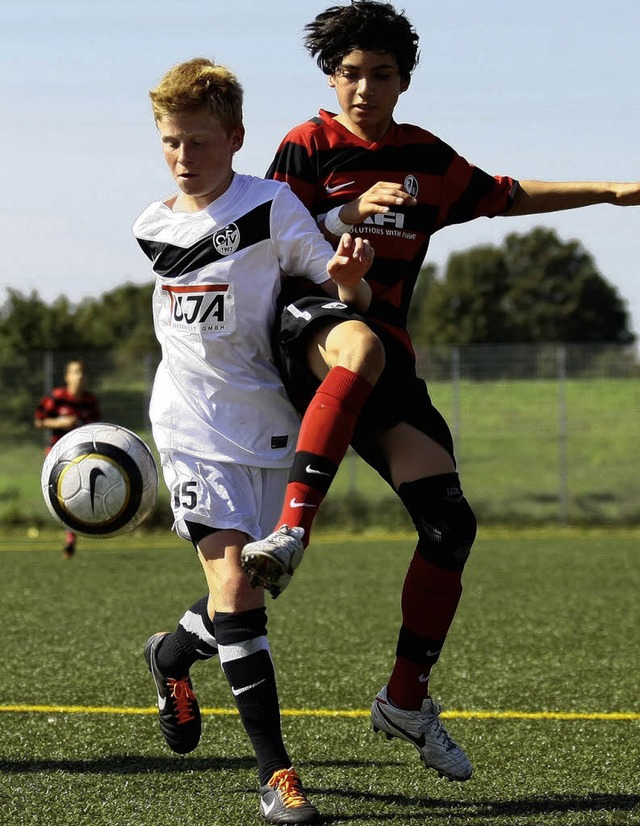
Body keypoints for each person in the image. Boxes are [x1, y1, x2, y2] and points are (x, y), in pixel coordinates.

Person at [239, 0, 640, 784]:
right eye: (350, 73)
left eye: (380, 75)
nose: (363, 88)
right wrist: (340, 211)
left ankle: (404, 699)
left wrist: (611, 191)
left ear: (404, 81)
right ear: (332, 77)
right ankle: (293, 531)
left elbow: (504, 194)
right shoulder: (306, 144)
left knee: (451, 525)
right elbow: (263, 231)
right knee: (353, 350)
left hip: (384, 355)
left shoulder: (424, 157)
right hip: (304, 339)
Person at [132, 57, 373, 824]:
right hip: (188, 426)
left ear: (235, 137)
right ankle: (278, 777)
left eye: (198, 142)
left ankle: (171, 654)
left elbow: (335, 291)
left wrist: (348, 278)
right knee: (236, 587)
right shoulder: (150, 225)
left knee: (241, 600)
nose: (182, 158)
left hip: (270, 425)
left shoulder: (271, 207)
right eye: (171, 142)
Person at [34, 358, 101, 558]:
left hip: (82, 455)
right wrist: (60, 422)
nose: (79, 376)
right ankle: (71, 534)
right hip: (57, 454)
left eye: (82, 372)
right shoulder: (55, 397)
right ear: (67, 376)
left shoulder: (90, 400)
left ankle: (72, 536)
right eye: (75, 372)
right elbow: (39, 421)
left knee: (79, 494)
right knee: (63, 497)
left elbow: (98, 426)